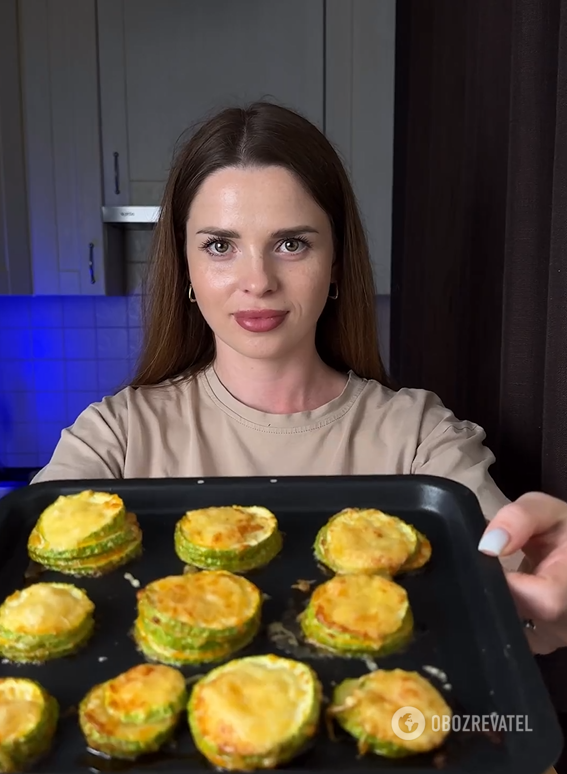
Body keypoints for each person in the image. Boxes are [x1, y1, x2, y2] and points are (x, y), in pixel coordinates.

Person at [30, 101, 567, 656]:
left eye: (292, 244)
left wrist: (554, 590)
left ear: (335, 263)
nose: (257, 281)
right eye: (220, 245)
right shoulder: (113, 438)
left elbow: (528, 600)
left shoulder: (418, 437)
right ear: (185, 266)